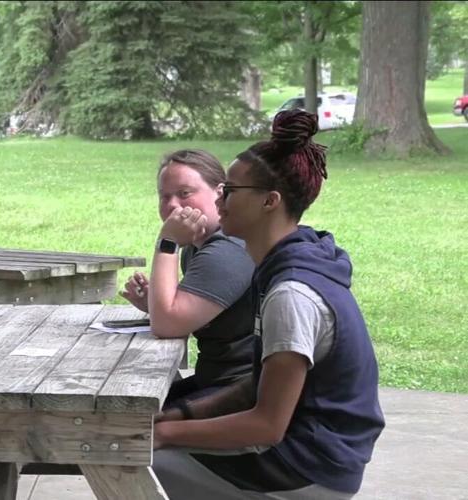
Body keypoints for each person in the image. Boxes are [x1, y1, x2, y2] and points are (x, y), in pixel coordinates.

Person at [151, 110, 385, 499]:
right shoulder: (289, 261)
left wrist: (161, 435)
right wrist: (177, 416)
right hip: (304, 450)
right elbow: (256, 388)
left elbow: (266, 425)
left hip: (310, 467)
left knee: (134, 461)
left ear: (269, 201)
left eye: (231, 190)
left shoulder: (291, 293)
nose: (220, 199)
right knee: (143, 444)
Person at [120, 149, 256, 405]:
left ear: (220, 193)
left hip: (242, 389)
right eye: (164, 197)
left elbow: (167, 326)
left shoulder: (227, 249)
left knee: (126, 420)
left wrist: (168, 242)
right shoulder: (196, 246)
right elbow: (183, 315)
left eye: (185, 193)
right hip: (218, 378)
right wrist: (154, 302)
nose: (172, 205)